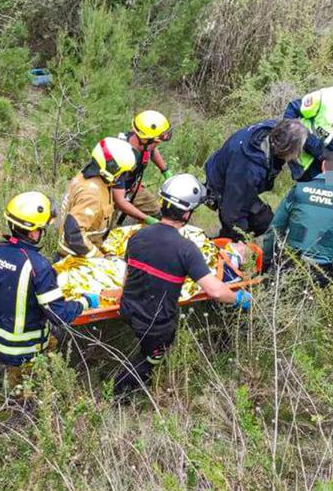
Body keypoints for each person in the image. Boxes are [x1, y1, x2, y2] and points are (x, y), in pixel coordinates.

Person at [114, 174, 251, 396]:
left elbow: (128, 275)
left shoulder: (138, 236)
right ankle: (121, 395)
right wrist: (240, 299)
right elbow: (214, 290)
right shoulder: (185, 249)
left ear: (163, 203)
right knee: (151, 358)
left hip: (129, 309)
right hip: (156, 323)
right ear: (187, 213)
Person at [0, 191, 101, 399]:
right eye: (42, 227)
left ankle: (15, 382)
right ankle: (18, 404)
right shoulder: (38, 265)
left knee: (52, 345)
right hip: (22, 347)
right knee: (23, 393)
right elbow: (59, 315)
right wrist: (85, 301)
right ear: (33, 233)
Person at [262, 148, 333, 287]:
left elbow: (274, 230)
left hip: (289, 264)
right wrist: (330, 251)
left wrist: (266, 264)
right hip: (323, 271)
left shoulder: (297, 190)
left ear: (323, 166)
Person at [202, 119, 308, 240]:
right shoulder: (249, 168)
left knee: (265, 221)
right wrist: (240, 238)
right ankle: (214, 247)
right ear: (286, 149)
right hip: (223, 186)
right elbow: (233, 212)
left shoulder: (272, 131)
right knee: (237, 235)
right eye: (298, 149)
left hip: (235, 177)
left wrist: (322, 177)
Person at [57, 137, 138, 258]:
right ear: (112, 167)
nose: (122, 176)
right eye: (122, 172)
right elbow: (74, 233)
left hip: (86, 249)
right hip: (75, 259)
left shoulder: (92, 177)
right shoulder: (92, 194)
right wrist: (100, 257)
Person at [112, 110, 174, 226]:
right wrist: (146, 219)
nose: (157, 145)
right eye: (156, 142)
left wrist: (165, 171)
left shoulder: (141, 141)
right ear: (146, 140)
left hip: (132, 186)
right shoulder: (119, 158)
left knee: (159, 214)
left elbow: (152, 151)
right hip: (113, 193)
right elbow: (120, 201)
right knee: (105, 231)